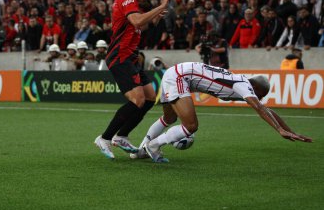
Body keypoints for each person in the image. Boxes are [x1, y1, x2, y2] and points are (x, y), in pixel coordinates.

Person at [134, 62, 312, 163]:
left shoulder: (241, 82)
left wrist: (289, 130)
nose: (260, 99)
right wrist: (279, 130)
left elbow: (266, 109)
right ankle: (153, 145)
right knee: (191, 125)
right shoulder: (245, 86)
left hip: (175, 72)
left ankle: (140, 150)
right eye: (260, 95)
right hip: (179, 76)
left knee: (169, 117)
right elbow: (259, 108)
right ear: (255, 87)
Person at [94, 0, 176, 160]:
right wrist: (161, 5)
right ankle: (105, 138)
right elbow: (137, 20)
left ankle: (121, 136)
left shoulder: (132, 4)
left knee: (149, 98)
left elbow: (139, 25)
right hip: (120, 57)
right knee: (137, 100)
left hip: (131, 58)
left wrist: (155, 17)